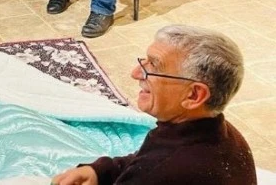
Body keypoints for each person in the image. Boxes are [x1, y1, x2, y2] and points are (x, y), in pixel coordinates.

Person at [52, 25, 256, 185]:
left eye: (154, 66)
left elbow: (153, 167)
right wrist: (100, 171)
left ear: (194, 95)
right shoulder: (225, 134)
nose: (136, 73)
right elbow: (145, 160)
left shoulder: (164, 171)